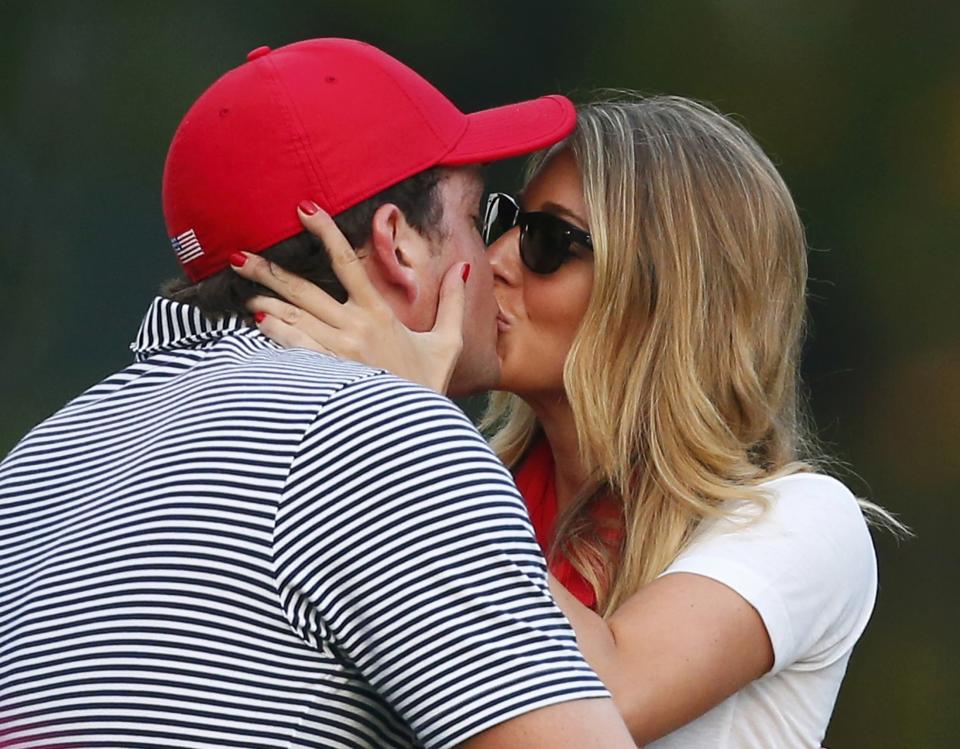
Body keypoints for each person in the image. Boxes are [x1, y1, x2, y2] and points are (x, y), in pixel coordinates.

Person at [0, 39, 637, 749]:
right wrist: (414, 411)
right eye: (474, 216)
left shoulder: (46, 450)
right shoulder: (386, 432)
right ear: (398, 244)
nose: (494, 260)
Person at [232, 95, 904, 748]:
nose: (494, 262)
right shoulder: (469, 492)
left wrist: (412, 428)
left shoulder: (801, 520)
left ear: (665, 292)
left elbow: (595, 700)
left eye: (547, 240)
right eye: (504, 222)